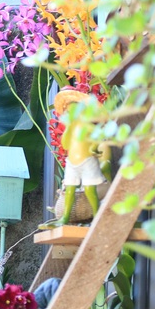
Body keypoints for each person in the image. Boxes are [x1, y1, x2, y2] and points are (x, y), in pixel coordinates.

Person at [53, 87, 111, 226]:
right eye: (67, 110)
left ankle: (97, 216)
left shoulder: (88, 127)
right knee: (69, 190)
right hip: (73, 162)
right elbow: (66, 145)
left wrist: (93, 148)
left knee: (90, 190)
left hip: (87, 161)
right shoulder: (72, 128)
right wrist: (68, 129)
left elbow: (98, 140)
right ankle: (65, 217)